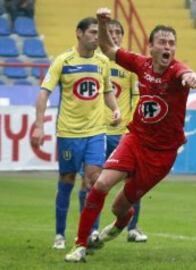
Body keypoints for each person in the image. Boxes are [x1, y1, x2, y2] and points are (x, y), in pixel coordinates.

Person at [64, 7, 196, 263]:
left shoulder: (177, 71)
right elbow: (108, 50)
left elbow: (186, 73)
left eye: (171, 43)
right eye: (162, 42)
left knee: (119, 208)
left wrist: (191, 77)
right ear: (151, 47)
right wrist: (103, 24)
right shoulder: (141, 64)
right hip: (135, 139)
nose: (167, 47)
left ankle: (115, 228)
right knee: (101, 183)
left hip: (161, 155)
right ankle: (80, 245)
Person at [30, 16, 120, 250]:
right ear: (78, 33)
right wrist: (39, 126)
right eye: (91, 32)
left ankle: (90, 232)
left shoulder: (103, 61)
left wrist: (116, 108)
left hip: (96, 131)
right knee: (67, 180)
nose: (95, 37)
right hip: (69, 133)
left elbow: (107, 90)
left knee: (93, 182)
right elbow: (43, 94)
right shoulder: (63, 60)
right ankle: (60, 234)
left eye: (97, 33)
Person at [78, 18, 147, 243]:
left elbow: (138, 98)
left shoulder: (130, 66)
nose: (115, 35)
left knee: (133, 181)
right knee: (91, 181)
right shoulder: (95, 61)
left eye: (118, 32)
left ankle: (132, 228)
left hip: (123, 133)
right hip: (96, 130)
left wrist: (133, 125)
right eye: (110, 32)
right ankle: (92, 230)